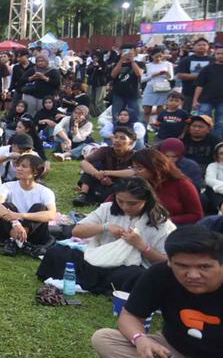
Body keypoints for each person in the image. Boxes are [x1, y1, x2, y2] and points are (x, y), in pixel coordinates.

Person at [92, 226, 223, 358]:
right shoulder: (161, 274)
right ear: (170, 261)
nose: (193, 274)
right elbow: (130, 316)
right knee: (104, 339)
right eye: (182, 266)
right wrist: (140, 339)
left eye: (205, 267)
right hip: (171, 352)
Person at [37, 177, 174, 294]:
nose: (125, 207)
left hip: (128, 268)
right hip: (97, 259)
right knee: (57, 252)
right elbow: (76, 230)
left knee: (136, 276)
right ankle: (103, 285)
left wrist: (142, 246)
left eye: (132, 203)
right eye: (120, 201)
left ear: (146, 200)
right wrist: (105, 227)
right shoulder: (108, 209)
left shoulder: (161, 224)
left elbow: (167, 262)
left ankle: (102, 285)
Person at [0, 153, 57, 256]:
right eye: (18, 165)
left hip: (33, 232)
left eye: (24, 166)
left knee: (40, 207)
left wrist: (21, 216)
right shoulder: (7, 186)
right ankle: (22, 243)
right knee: (7, 205)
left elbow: (51, 214)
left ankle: (15, 241)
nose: (18, 168)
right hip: (9, 228)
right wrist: (16, 223)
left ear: (35, 172)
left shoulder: (45, 191)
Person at [132, 148, 203, 225]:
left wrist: (166, 220)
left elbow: (196, 215)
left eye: (139, 168)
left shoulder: (182, 184)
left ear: (154, 167)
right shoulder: (137, 184)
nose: (135, 172)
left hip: (174, 227)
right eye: (133, 168)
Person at [73, 125, 137, 206]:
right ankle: (83, 195)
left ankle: (104, 200)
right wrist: (97, 174)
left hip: (120, 186)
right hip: (101, 182)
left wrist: (106, 173)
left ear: (130, 143)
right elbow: (83, 163)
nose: (117, 140)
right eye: (115, 137)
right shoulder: (105, 150)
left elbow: (135, 172)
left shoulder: (135, 155)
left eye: (122, 138)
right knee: (93, 166)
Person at [188, 43, 223, 139]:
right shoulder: (207, 69)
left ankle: (217, 141)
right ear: (214, 55)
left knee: (220, 123)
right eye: (218, 54)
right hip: (206, 99)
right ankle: (203, 139)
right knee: (202, 121)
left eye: (222, 53)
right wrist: (195, 100)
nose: (220, 56)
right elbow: (199, 85)